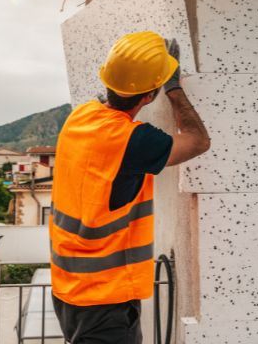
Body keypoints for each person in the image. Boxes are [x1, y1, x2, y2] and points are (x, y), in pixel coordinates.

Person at [49, 30, 210, 343]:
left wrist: (145, 70)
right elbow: (198, 141)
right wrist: (174, 87)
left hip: (68, 288)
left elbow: (114, 95)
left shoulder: (80, 117)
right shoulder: (133, 141)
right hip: (104, 300)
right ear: (150, 96)